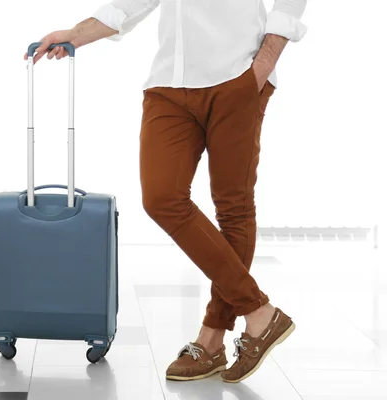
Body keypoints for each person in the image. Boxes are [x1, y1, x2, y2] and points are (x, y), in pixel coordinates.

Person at [25, 0, 307, 383]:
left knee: (233, 207)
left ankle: (211, 341)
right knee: (162, 198)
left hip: (238, 74)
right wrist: (76, 34)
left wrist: (264, 63)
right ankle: (260, 312)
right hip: (169, 84)